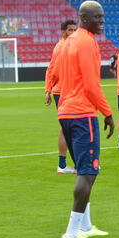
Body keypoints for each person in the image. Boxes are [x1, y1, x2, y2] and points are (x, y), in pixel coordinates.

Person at [57, 1, 115, 238]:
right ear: (83, 18)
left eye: (103, 17)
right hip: (83, 114)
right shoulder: (87, 42)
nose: (101, 21)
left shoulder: (68, 42)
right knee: (88, 172)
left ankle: (85, 226)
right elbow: (92, 86)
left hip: (67, 112)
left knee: (83, 170)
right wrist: (108, 112)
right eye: (97, 17)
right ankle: (71, 235)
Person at [45, 19, 77, 174]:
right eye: (70, 30)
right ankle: (77, 164)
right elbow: (53, 70)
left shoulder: (60, 45)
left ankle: (63, 165)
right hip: (66, 92)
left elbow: (50, 69)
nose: (73, 33)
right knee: (72, 128)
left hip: (61, 92)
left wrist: (48, 90)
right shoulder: (65, 46)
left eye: (74, 30)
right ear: (63, 31)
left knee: (66, 128)